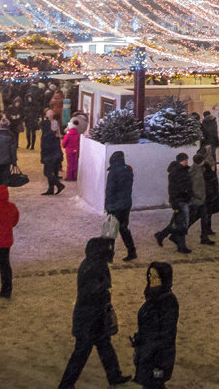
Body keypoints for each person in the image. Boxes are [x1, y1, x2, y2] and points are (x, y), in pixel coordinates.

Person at [57, 237, 132, 388]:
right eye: (108, 250)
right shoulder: (91, 267)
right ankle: (66, 385)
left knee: (105, 347)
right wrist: (103, 287)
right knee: (81, 354)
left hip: (96, 317)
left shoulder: (97, 264)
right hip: (87, 320)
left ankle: (114, 376)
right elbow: (88, 293)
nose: (111, 253)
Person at [131, 261, 179, 389]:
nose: (151, 279)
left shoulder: (168, 302)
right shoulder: (153, 297)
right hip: (148, 354)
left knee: (154, 385)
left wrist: (156, 360)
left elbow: (166, 335)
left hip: (157, 357)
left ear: (164, 278)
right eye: (149, 275)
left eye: (155, 276)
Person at [155, 153, 193, 254]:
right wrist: (174, 203)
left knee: (176, 223)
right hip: (180, 200)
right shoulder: (176, 172)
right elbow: (172, 189)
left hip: (183, 199)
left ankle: (162, 235)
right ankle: (181, 246)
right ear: (182, 160)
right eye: (185, 160)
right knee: (183, 223)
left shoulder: (184, 170)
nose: (187, 161)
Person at [105, 151, 138, 261]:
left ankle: (109, 255)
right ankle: (132, 251)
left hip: (116, 205)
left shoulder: (113, 172)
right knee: (124, 228)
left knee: (111, 231)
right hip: (126, 204)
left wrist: (108, 206)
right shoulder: (128, 170)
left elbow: (110, 191)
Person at [187, 152, 216, 246]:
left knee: (203, 218)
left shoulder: (196, 169)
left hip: (202, 199)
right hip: (199, 199)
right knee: (192, 218)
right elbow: (198, 187)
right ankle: (178, 232)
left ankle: (204, 237)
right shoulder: (197, 172)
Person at [40, 116, 66, 196]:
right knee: (51, 173)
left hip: (49, 157)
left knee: (47, 173)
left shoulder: (45, 135)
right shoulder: (53, 134)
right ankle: (50, 189)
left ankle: (59, 185)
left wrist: (43, 157)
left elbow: (45, 148)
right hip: (55, 156)